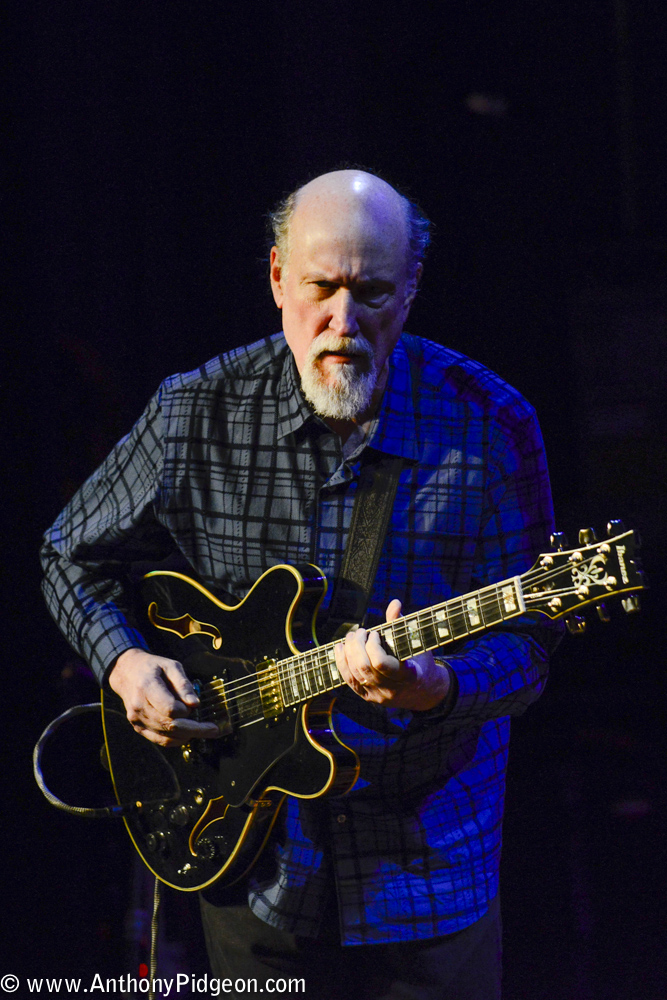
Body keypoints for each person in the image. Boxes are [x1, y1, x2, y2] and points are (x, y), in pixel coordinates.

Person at [41, 169, 559, 998]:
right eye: (321, 288)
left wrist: (435, 685)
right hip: (248, 865)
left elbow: (530, 640)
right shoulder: (194, 410)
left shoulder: (491, 422)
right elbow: (69, 553)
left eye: (373, 293)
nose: (342, 323)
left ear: (413, 287)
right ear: (278, 275)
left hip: (428, 876)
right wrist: (125, 664)